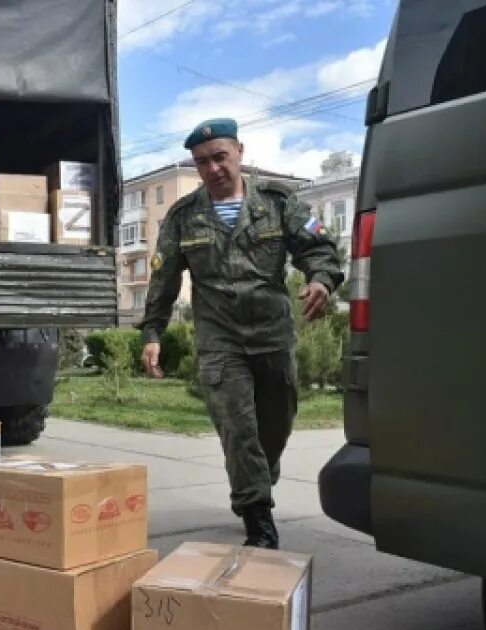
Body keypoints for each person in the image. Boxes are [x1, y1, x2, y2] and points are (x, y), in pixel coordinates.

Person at [136, 118, 343, 549]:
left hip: (272, 335)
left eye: (219, 157)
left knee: (275, 426)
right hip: (219, 341)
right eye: (201, 162)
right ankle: (258, 519)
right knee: (239, 428)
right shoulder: (183, 217)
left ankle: (259, 480)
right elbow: (164, 281)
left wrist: (321, 280)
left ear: (240, 153)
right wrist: (152, 332)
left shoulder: (277, 204)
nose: (212, 169)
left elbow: (318, 249)